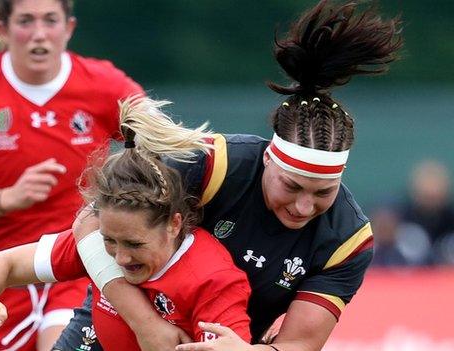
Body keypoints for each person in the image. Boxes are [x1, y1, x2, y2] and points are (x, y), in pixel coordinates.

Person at [61, 1, 404, 350]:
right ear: (268, 158)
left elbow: (300, 343)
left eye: (323, 193)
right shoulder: (211, 165)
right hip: (108, 327)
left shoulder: (346, 239)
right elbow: (89, 223)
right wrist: (145, 323)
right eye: (292, 186)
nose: (303, 206)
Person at [0, 0, 143, 350]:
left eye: (50, 20)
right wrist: (8, 197)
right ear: (3, 30)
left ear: (68, 28)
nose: (39, 34)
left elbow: (163, 148)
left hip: (81, 260)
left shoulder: (105, 85)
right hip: (6, 272)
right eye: (26, 21)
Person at [0, 96, 252, 351]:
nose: (119, 258)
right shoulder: (97, 241)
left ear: (174, 225)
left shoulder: (213, 281)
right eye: (110, 241)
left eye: (135, 244)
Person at [400, 159, 454, 265]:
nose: (432, 202)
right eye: (427, 196)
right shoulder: (403, 218)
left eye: (436, 196)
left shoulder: (452, 218)